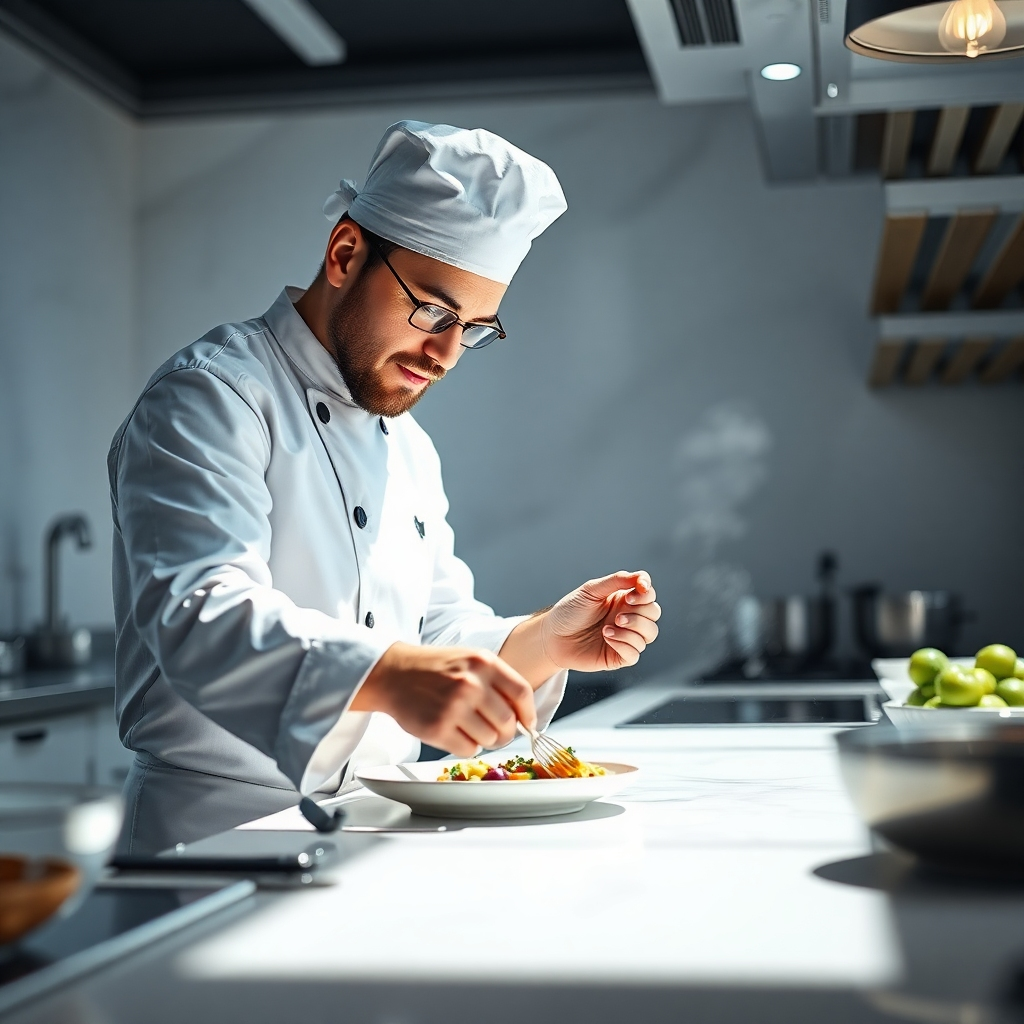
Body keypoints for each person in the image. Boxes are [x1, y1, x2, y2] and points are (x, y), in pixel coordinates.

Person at [109, 121, 660, 854]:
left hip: (374, 828)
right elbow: (201, 617)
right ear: (345, 254)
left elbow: (435, 633)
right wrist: (390, 672)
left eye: (472, 329)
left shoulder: (407, 445)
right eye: (433, 312)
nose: (443, 355)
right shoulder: (211, 397)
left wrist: (543, 640)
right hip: (208, 841)